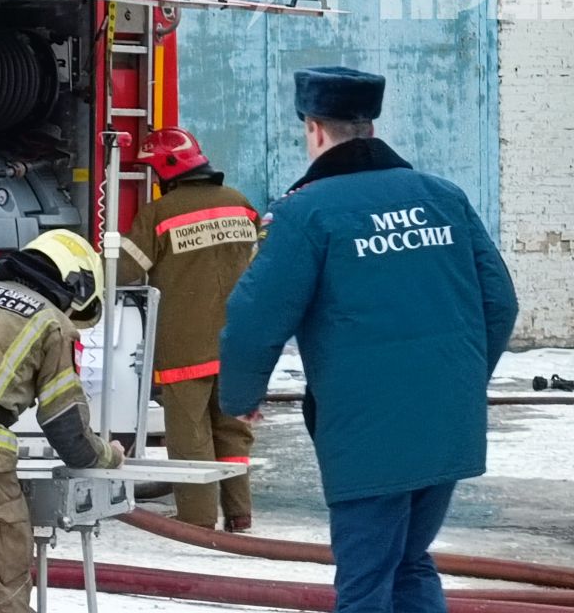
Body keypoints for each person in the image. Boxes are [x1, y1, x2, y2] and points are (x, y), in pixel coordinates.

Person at [220, 66, 520, 613]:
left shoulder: (307, 212)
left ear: (313, 128)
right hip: (446, 420)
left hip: (367, 431)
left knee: (365, 582)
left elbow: (253, 317)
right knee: (409, 561)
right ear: (370, 128)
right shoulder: (443, 197)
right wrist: (457, 377)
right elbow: (499, 303)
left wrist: (241, 396)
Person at [0, 228, 125, 612]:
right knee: (1, 591)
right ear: (76, 284)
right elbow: (68, 430)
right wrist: (109, 456)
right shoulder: (49, 322)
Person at [119, 125, 260, 532]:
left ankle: (197, 520)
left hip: (185, 347)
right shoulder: (240, 204)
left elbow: (126, 271)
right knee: (232, 430)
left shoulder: (159, 214)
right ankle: (240, 513)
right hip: (235, 341)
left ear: (166, 170)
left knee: (191, 434)